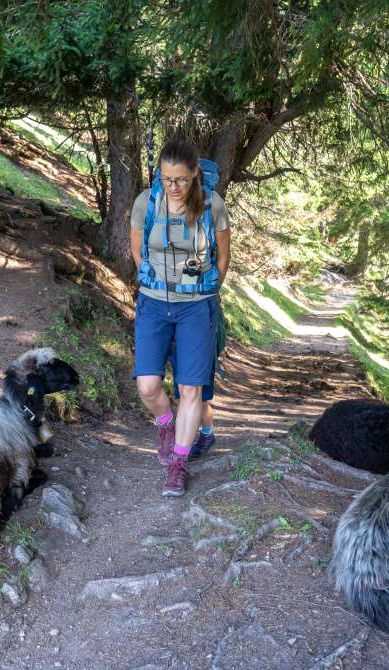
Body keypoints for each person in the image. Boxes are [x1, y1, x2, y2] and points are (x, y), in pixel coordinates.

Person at [131, 138, 230, 496]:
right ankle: (165, 424)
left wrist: (205, 289)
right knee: (148, 386)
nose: (173, 187)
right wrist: (155, 282)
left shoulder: (212, 205)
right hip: (154, 304)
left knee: (191, 388)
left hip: (196, 306)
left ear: (194, 175)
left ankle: (178, 464)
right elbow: (137, 249)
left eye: (181, 180)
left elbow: (223, 256)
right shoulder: (147, 202)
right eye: (167, 179)